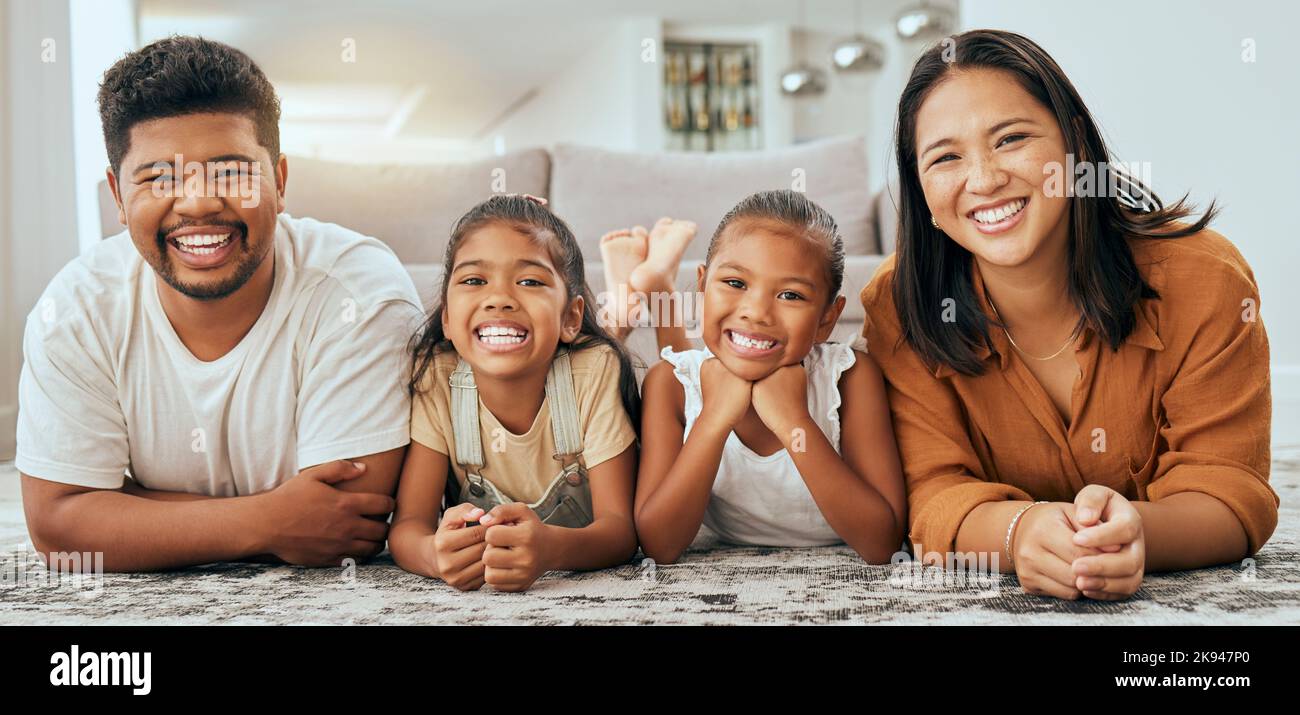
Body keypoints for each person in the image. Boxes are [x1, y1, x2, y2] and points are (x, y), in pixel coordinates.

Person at [861, 29, 1278, 600]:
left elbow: (1231, 491)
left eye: (1011, 139)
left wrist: (1138, 535)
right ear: (920, 189)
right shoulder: (899, 305)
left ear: (1073, 144)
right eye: (946, 157)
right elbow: (932, 495)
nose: (983, 180)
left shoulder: (1205, 280)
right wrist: (1018, 532)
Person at [17, 36, 423, 571]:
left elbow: (345, 524)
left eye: (230, 171)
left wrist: (122, 509)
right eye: (160, 177)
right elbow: (59, 529)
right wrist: (271, 520)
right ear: (117, 196)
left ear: (279, 181)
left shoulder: (359, 290)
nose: (200, 202)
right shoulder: (75, 310)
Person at [635, 190, 907, 565]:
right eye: (735, 283)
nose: (756, 312)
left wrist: (793, 421)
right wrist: (714, 419)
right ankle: (658, 286)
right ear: (702, 285)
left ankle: (658, 285)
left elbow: (883, 543)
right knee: (685, 360)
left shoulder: (849, 377)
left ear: (828, 317)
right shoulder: (668, 385)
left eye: (790, 295)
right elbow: (658, 545)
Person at [389, 195, 640, 592]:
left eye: (529, 281)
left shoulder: (594, 372)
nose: (500, 298)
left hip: (577, 358)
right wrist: (433, 554)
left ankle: (631, 295)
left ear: (571, 317)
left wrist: (552, 550)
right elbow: (407, 529)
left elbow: (621, 532)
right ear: (448, 319)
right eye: (474, 281)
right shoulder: (439, 377)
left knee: (608, 345)